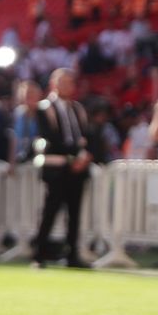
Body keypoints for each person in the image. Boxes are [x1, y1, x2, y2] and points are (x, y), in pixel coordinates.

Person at [31, 67, 92, 269]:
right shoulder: (44, 108)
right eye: (63, 82)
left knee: (75, 212)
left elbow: (84, 136)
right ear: (53, 84)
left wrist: (83, 157)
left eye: (70, 82)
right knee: (51, 209)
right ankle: (39, 253)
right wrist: (72, 156)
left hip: (77, 168)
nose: (67, 86)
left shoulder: (78, 109)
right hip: (56, 167)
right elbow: (50, 138)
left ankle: (72, 253)